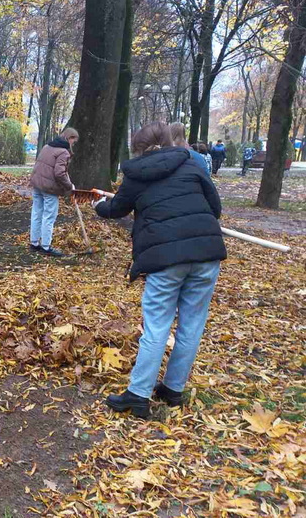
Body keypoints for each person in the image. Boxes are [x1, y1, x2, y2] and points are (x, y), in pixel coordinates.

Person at [92, 121, 226, 419]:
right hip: (206, 255)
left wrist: (99, 205)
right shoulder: (193, 166)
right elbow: (214, 209)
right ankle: (173, 389)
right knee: (191, 325)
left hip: (165, 258)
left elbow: (116, 209)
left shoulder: (136, 174)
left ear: (137, 147)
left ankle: (139, 394)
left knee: (157, 325)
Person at [28, 127, 79, 257]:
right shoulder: (63, 152)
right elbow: (59, 173)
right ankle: (45, 246)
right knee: (49, 216)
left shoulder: (47, 146)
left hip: (37, 184)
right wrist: (69, 186)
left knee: (36, 213)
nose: (73, 144)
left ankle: (34, 243)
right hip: (49, 188)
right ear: (70, 138)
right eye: (74, 141)